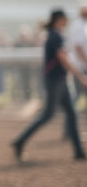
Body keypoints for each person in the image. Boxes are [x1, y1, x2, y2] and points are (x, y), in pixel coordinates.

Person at [11, 9, 87, 161]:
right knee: (48, 115)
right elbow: (63, 58)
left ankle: (79, 152)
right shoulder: (56, 36)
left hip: (60, 80)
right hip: (56, 81)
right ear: (59, 19)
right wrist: (79, 75)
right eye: (65, 18)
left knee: (71, 114)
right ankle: (19, 141)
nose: (67, 21)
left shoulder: (55, 35)